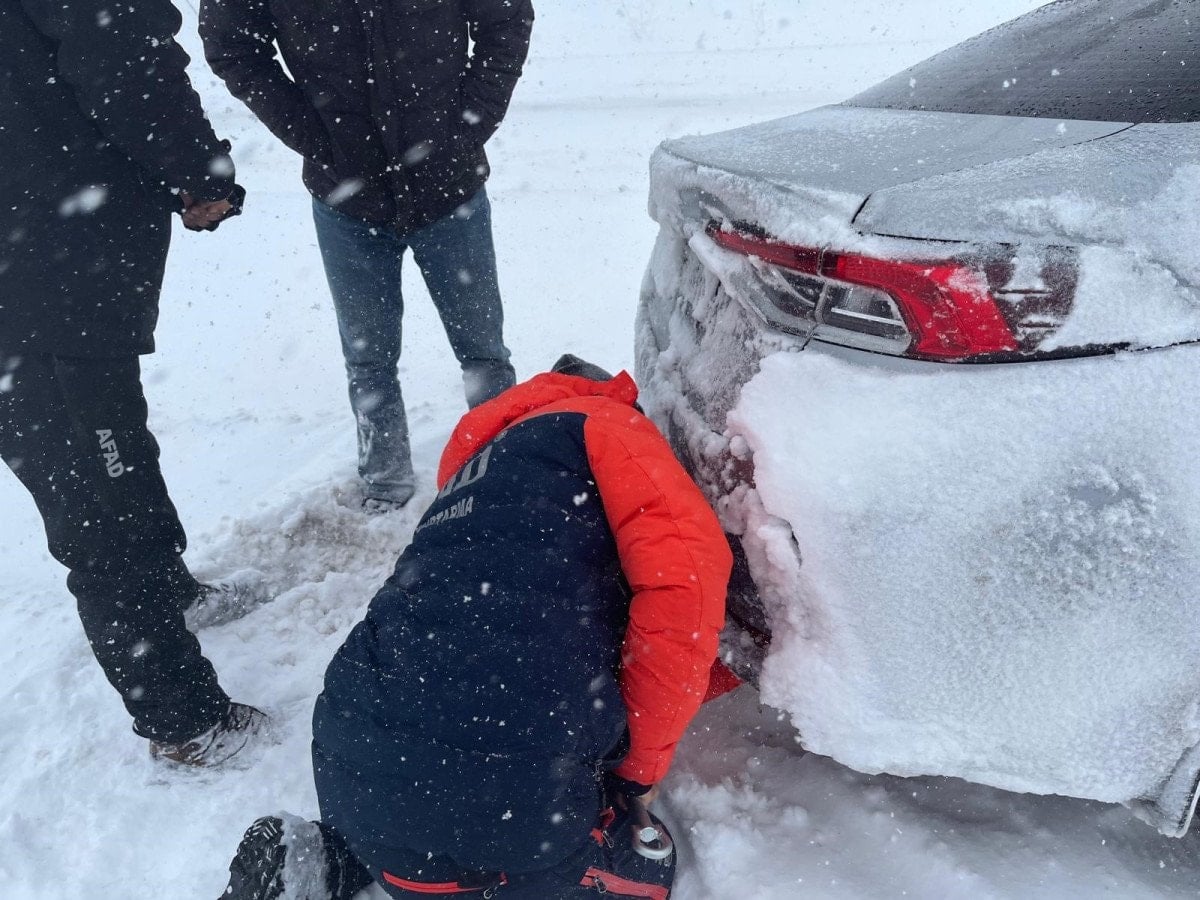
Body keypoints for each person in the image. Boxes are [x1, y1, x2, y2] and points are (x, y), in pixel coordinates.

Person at [218, 355, 733, 899]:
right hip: (507, 801)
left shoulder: (474, 472)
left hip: (350, 756)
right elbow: (685, 597)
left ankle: (331, 860)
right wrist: (638, 769)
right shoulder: (610, 427)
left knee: (415, 828)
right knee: (646, 866)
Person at [0, 0, 269, 765]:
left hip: (43, 266)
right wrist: (200, 173)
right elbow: (124, 63)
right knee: (95, 500)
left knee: (112, 445)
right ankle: (185, 724)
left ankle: (170, 590)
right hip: (41, 281)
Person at [200, 0, 535, 513]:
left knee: (483, 352)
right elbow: (231, 43)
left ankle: (497, 471)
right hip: (346, 197)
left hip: (449, 186)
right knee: (369, 359)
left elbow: (506, 17)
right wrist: (314, 134)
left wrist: (469, 123)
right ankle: (385, 485)